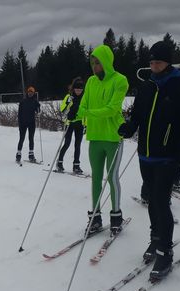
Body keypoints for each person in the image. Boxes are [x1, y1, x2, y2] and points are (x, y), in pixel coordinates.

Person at [118, 41, 180, 280]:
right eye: (151, 62)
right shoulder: (147, 86)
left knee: (162, 202)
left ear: (168, 62)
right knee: (152, 200)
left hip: (167, 156)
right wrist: (129, 127)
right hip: (146, 154)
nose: (154, 66)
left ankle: (166, 251)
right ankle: (155, 240)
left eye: (158, 62)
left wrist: (179, 159)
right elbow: (138, 114)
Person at [77, 44, 128, 235]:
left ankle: (116, 215)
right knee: (96, 178)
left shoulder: (120, 80)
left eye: (97, 62)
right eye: (92, 62)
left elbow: (112, 109)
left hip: (113, 137)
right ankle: (95, 217)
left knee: (112, 178)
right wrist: (74, 114)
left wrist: (86, 112)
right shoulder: (90, 82)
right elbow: (83, 106)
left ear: (106, 62)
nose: (94, 66)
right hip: (95, 137)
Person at [57, 78, 85, 174]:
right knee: (67, 143)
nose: (78, 92)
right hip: (69, 123)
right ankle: (59, 162)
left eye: (80, 90)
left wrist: (85, 125)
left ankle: (76, 165)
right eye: (77, 90)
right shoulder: (69, 97)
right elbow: (63, 110)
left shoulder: (84, 98)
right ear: (74, 89)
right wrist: (69, 107)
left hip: (79, 123)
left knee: (78, 145)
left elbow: (86, 113)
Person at [16, 86, 41, 163]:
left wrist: (38, 110)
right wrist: (19, 122)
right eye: (29, 92)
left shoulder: (35, 101)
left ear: (33, 93)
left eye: (32, 92)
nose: (30, 93)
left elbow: (38, 110)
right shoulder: (23, 101)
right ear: (27, 92)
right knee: (22, 138)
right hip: (23, 123)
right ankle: (18, 154)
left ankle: (31, 154)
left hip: (31, 123)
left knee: (31, 138)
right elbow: (19, 113)